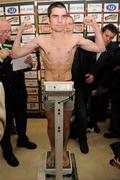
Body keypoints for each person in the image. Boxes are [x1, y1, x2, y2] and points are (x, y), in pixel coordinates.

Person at [12, 2, 105, 167]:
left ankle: (63, 150)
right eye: (55, 16)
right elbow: (15, 53)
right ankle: (54, 150)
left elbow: (100, 47)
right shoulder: (41, 39)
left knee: (66, 124)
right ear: (48, 20)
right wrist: (19, 30)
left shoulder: (74, 38)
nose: (60, 20)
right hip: (49, 88)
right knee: (51, 124)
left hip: (68, 88)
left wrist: (95, 25)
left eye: (63, 16)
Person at [0, 17, 37, 167]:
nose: (8, 34)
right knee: (6, 123)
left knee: (22, 116)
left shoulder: (12, 43)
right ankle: (7, 152)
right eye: (4, 31)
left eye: (9, 31)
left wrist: (28, 64)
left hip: (19, 88)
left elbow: (20, 62)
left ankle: (22, 139)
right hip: (3, 93)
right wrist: (2, 60)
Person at [65, 15, 92, 154]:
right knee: (63, 116)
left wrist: (92, 73)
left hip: (79, 86)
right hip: (63, 87)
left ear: (74, 25)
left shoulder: (82, 42)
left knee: (81, 115)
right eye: (65, 23)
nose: (68, 26)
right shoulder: (57, 43)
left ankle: (83, 139)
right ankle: (63, 140)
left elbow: (93, 58)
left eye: (70, 23)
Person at [86, 24, 118, 133]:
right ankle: (80, 123)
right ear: (101, 33)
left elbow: (108, 68)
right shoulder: (88, 40)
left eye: (111, 37)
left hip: (99, 79)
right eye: (106, 36)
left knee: (96, 103)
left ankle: (92, 122)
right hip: (85, 77)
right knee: (82, 104)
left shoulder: (113, 47)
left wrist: (102, 85)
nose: (108, 39)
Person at [104, 46, 120, 138]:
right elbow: (110, 62)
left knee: (116, 108)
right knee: (115, 108)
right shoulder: (117, 49)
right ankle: (114, 131)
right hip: (116, 84)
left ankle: (115, 131)